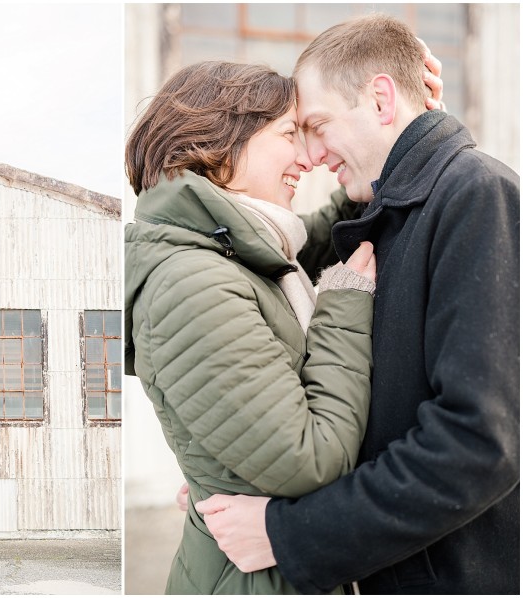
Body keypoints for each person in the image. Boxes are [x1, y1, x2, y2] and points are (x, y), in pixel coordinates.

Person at [195, 14, 520, 595]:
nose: (313, 154)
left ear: (380, 99)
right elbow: (297, 244)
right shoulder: (397, 211)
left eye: (317, 126)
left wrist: (289, 532)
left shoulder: (477, 196)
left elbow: (478, 444)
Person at [124, 59, 382, 594]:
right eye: (290, 134)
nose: (308, 158)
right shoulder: (191, 284)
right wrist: (343, 304)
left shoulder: (225, 250)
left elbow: (317, 235)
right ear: (219, 147)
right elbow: (309, 459)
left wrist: (388, 141)